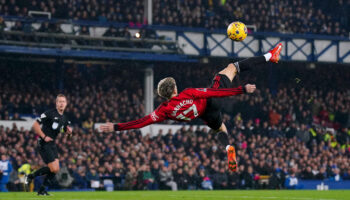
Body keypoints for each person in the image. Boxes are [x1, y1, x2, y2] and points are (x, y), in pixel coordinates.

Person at [101, 43, 283, 172]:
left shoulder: (163, 110)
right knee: (231, 68)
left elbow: (142, 122)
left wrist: (117, 127)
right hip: (211, 102)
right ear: (174, 89)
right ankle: (270, 56)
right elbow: (214, 93)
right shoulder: (187, 93)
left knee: (221, 128)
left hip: (205, 115)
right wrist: (241, 89)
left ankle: (228, 147)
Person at [25, 94, 72, 195]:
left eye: (63, 102)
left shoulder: (64, 118)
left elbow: (67, 135)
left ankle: (42, 190)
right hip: (43, 143)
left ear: (66, 104)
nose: (61, 104)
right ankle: (30, 176)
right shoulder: (49, 113)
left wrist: (69, 134)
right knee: (53, 168)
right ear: (56, 103)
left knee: (56, 170)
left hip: (52, 143)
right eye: (59, 101)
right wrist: (44, 137)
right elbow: (35, 125)